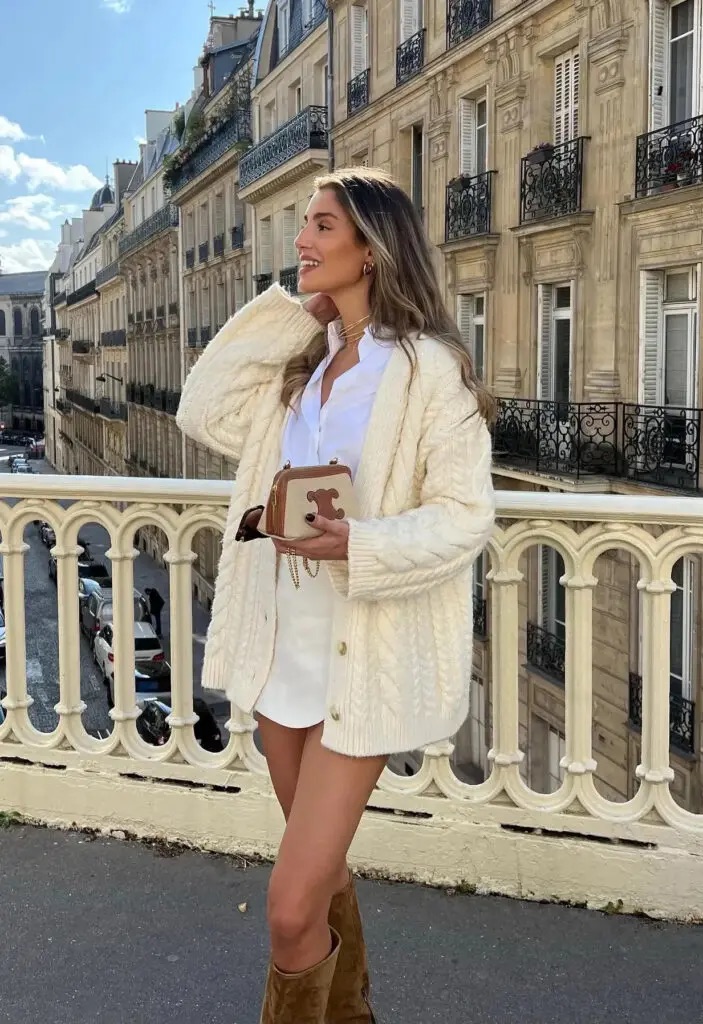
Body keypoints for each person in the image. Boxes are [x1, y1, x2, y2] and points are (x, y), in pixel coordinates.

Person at [176, 167, 495, 1024]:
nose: (303, 241)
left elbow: (466, 516)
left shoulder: (429, 370)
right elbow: (201, 410)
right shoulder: (307, 369)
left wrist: (362, 543)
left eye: (321, 226)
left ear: (372, 244)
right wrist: (295, 315)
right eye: (305, 225)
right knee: (319, 879)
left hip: (362, 662)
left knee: (287, 908)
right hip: (287, 651)